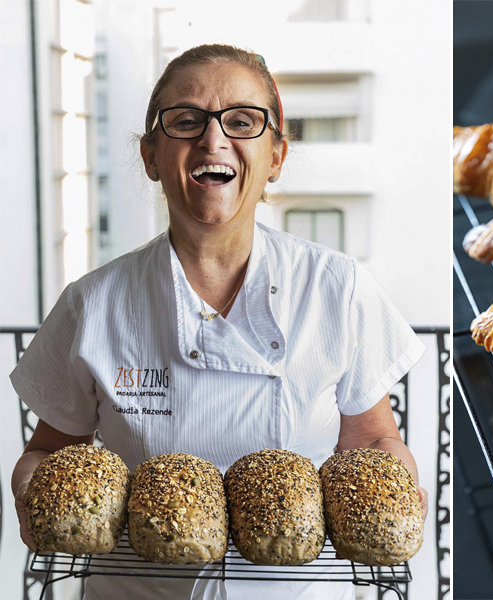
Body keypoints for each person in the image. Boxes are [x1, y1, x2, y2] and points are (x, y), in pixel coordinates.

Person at [10, 44, 426, 600]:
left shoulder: (337, 288)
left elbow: (373, 440)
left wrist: (396, 482)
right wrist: (33, 488)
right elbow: (49, 451)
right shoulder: (93, 304)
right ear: (151, 156)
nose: (213, 139)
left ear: (276, 155)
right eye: (185, 121)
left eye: (242, 120)